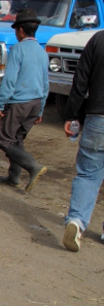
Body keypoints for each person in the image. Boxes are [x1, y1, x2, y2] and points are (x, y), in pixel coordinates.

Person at [0, 8, 49, 193]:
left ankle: (33, 166)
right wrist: (40, 109)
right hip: (35, 103)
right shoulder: (42, 52)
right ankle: (13, 176)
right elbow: (46, 83)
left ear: (21, 31)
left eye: (16, 30)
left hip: (19, 103)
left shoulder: (17, 50)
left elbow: (10, 80)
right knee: (17, 139)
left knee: (4, 141)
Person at [61, 30, 104, 252]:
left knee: (88, 173)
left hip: (98, 119)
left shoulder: (98, 40)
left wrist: (71, 115)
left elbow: (80, 81)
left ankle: (76, 221)